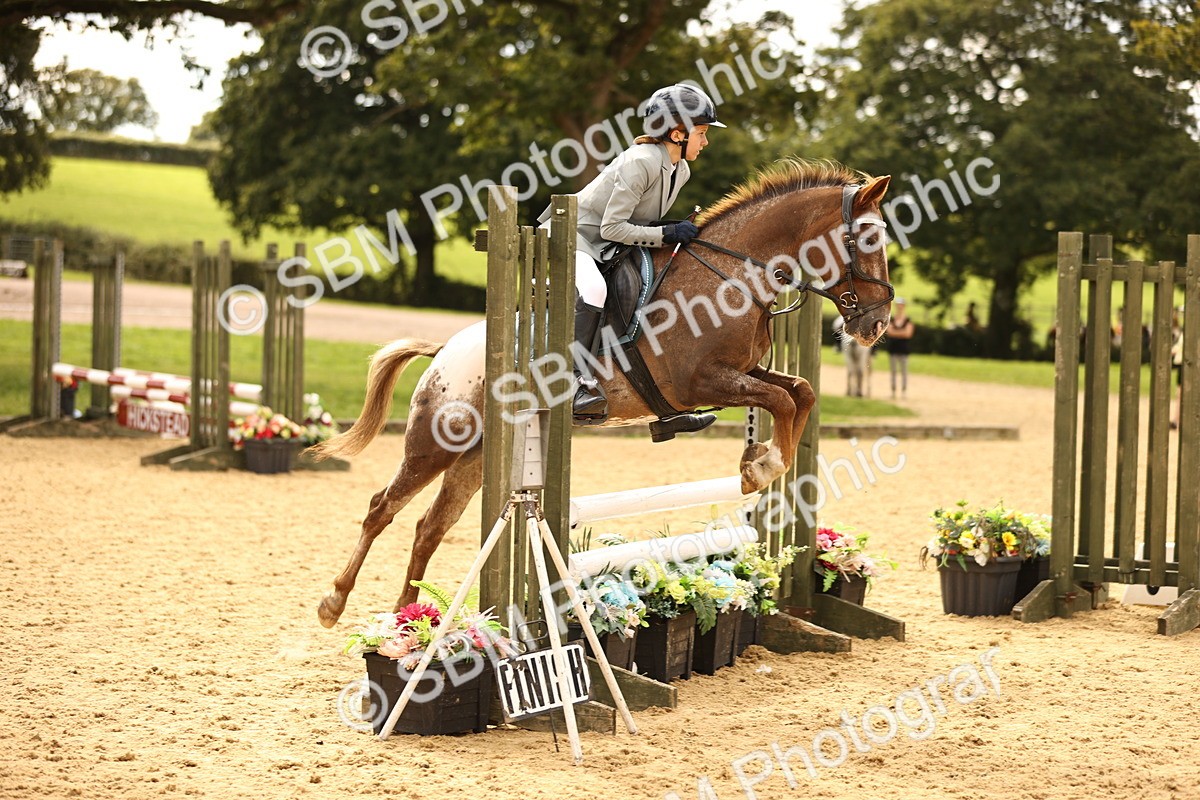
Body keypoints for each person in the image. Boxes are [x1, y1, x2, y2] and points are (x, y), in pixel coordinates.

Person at [538, 83, 725, 439]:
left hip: (606, 247)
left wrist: (668, 229)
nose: (705, 142)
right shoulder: (640, 162)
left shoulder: (679, 170)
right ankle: (577, 381)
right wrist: (665, 234)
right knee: (593, 290)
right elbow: (611, 227)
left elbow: (638, 224)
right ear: (677, 133)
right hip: (571, 239)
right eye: (701, 134)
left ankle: (665, 402)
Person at [886, 298, 915, 398]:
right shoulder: (892, 319)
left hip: (904, 350)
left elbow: (908, 334)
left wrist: (895, 332)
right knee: (893, 372)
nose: (899, 307)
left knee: (904, 372)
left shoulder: (908, 320)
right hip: (893, 349)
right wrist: (901, 333)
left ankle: (904, 391)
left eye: (901, 305)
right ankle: (893, 391)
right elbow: (889, 332)